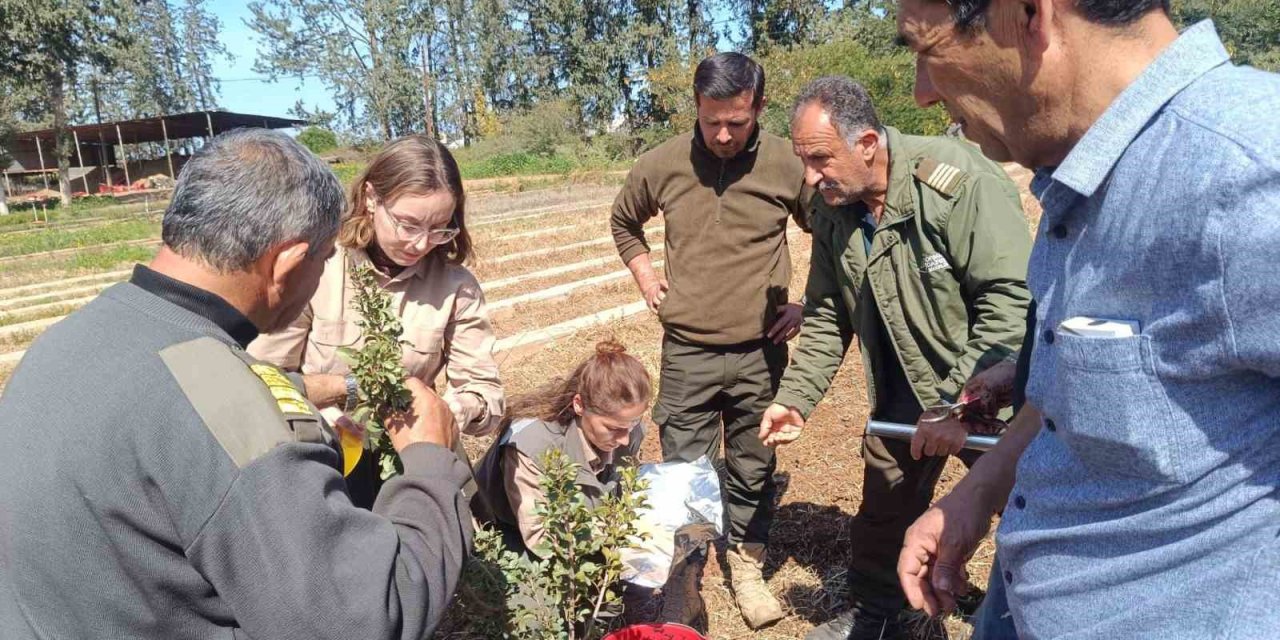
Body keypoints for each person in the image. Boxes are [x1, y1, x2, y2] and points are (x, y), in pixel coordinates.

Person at [893, 1, 1280, 638]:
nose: (923, 93)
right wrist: (978, 493)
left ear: (1028, 14)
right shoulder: (1084, 175)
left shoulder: (1248, 176)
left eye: (926, 49)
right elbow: (1072, 391)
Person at [0, 129, 472, 639]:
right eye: (324, 259)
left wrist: (342, 387)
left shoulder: (67, 341)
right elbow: (369, 618)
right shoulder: (232, 413)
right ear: (289, 263)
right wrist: (429, 461)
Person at [758, 76, 1032, 640]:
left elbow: (1008, 306)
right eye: (803, 160)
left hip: (989, 388)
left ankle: (1026, 615)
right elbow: (827, 312)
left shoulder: (958, 184)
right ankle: (880, 613)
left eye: (820, 158)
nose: (810, 176)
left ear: (866, 144)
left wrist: (956, 406)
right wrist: (796, 399)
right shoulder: (834, 208)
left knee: (1026, 505)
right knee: (885, 508)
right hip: (901, 387)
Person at [609, 51, 810, 629]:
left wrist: (806, 303)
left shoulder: (786, 163)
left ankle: (746, 566)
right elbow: (624, 221)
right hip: (688, 351)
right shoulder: (663, 163)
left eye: (737, 122)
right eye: (711, 121)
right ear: (696, 107)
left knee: (753, 463)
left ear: (759, 108)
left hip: (760, 351)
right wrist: (646, 275)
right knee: (685, 468)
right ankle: (687, 574)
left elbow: (831, 230)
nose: (723, 135)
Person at [250, 134, 504, 507]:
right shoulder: (320, 267)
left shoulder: (456, 287)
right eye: (408, 224)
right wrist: (327, 408)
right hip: (327, 461)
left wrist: (455, 410)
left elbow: (485, 393)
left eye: (440, 228)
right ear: (371, 198)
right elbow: (264, 379)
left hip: (414, 459)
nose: (421, 244)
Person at [473, 340, 650, 555]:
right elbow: (541, 539)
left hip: (587, 529)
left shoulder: (627, 428)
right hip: (504, 533)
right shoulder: (533, 447)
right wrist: (612, 533)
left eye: (632, 424)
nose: (625, 440)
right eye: (613, 428)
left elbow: (620, 490)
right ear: (579, 405)